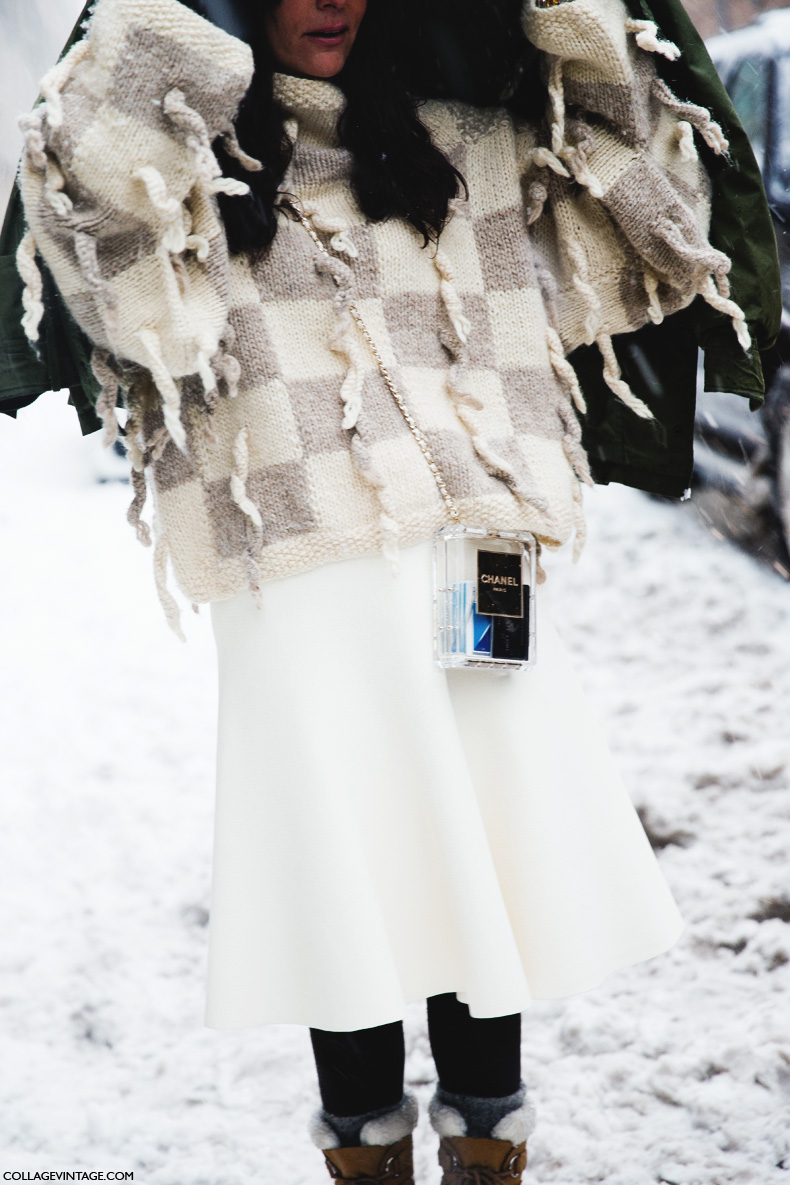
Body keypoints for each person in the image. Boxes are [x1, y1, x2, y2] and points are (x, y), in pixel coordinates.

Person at [9, 0, 780, 1181]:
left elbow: (654, 208)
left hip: (479, 554)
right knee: (346, 862)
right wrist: (175, 48)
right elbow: (110, 278)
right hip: (302, 575)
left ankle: (488, 1143)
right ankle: (362, 1150)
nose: (328, 0)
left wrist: (571, 21)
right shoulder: (192, 174)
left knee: (489, 845)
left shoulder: (471, 143)